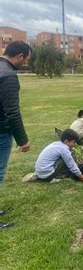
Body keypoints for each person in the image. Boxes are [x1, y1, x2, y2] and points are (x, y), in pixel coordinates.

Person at [0, 41, 31, 229]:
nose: (25, 62)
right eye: (26, 59)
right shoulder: (8, 75)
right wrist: (23, 140)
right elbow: (12, 112)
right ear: (20, 56)